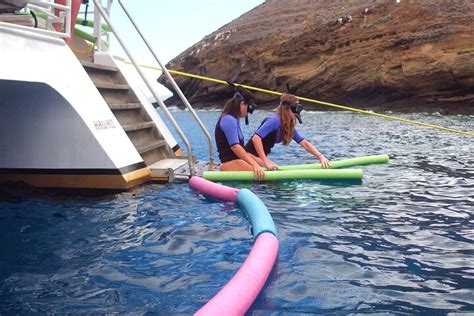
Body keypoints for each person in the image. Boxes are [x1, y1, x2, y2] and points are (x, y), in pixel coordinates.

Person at [245, 93, 330, 170]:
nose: (297, 112)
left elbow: (304, 143)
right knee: (276, 171)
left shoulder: (287, 125)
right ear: (287, 109)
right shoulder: (274, 120)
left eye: (299, 108)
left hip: (258, 157)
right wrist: (265, 162)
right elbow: (256, 138)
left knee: (276, 170)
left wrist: (320, 156)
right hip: (248, 155)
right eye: (295, 108)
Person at [215, 86, 265, 179]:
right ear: (242, 104)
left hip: (237, 161)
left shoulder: (234, 119)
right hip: (230, 163)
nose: (249, 112)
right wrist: (254, 164)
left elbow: (244, 151)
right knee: (263, 178)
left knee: (268, 168)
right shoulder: (228, 119)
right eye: (249, 107)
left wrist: (265, 162)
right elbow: (235, 147)